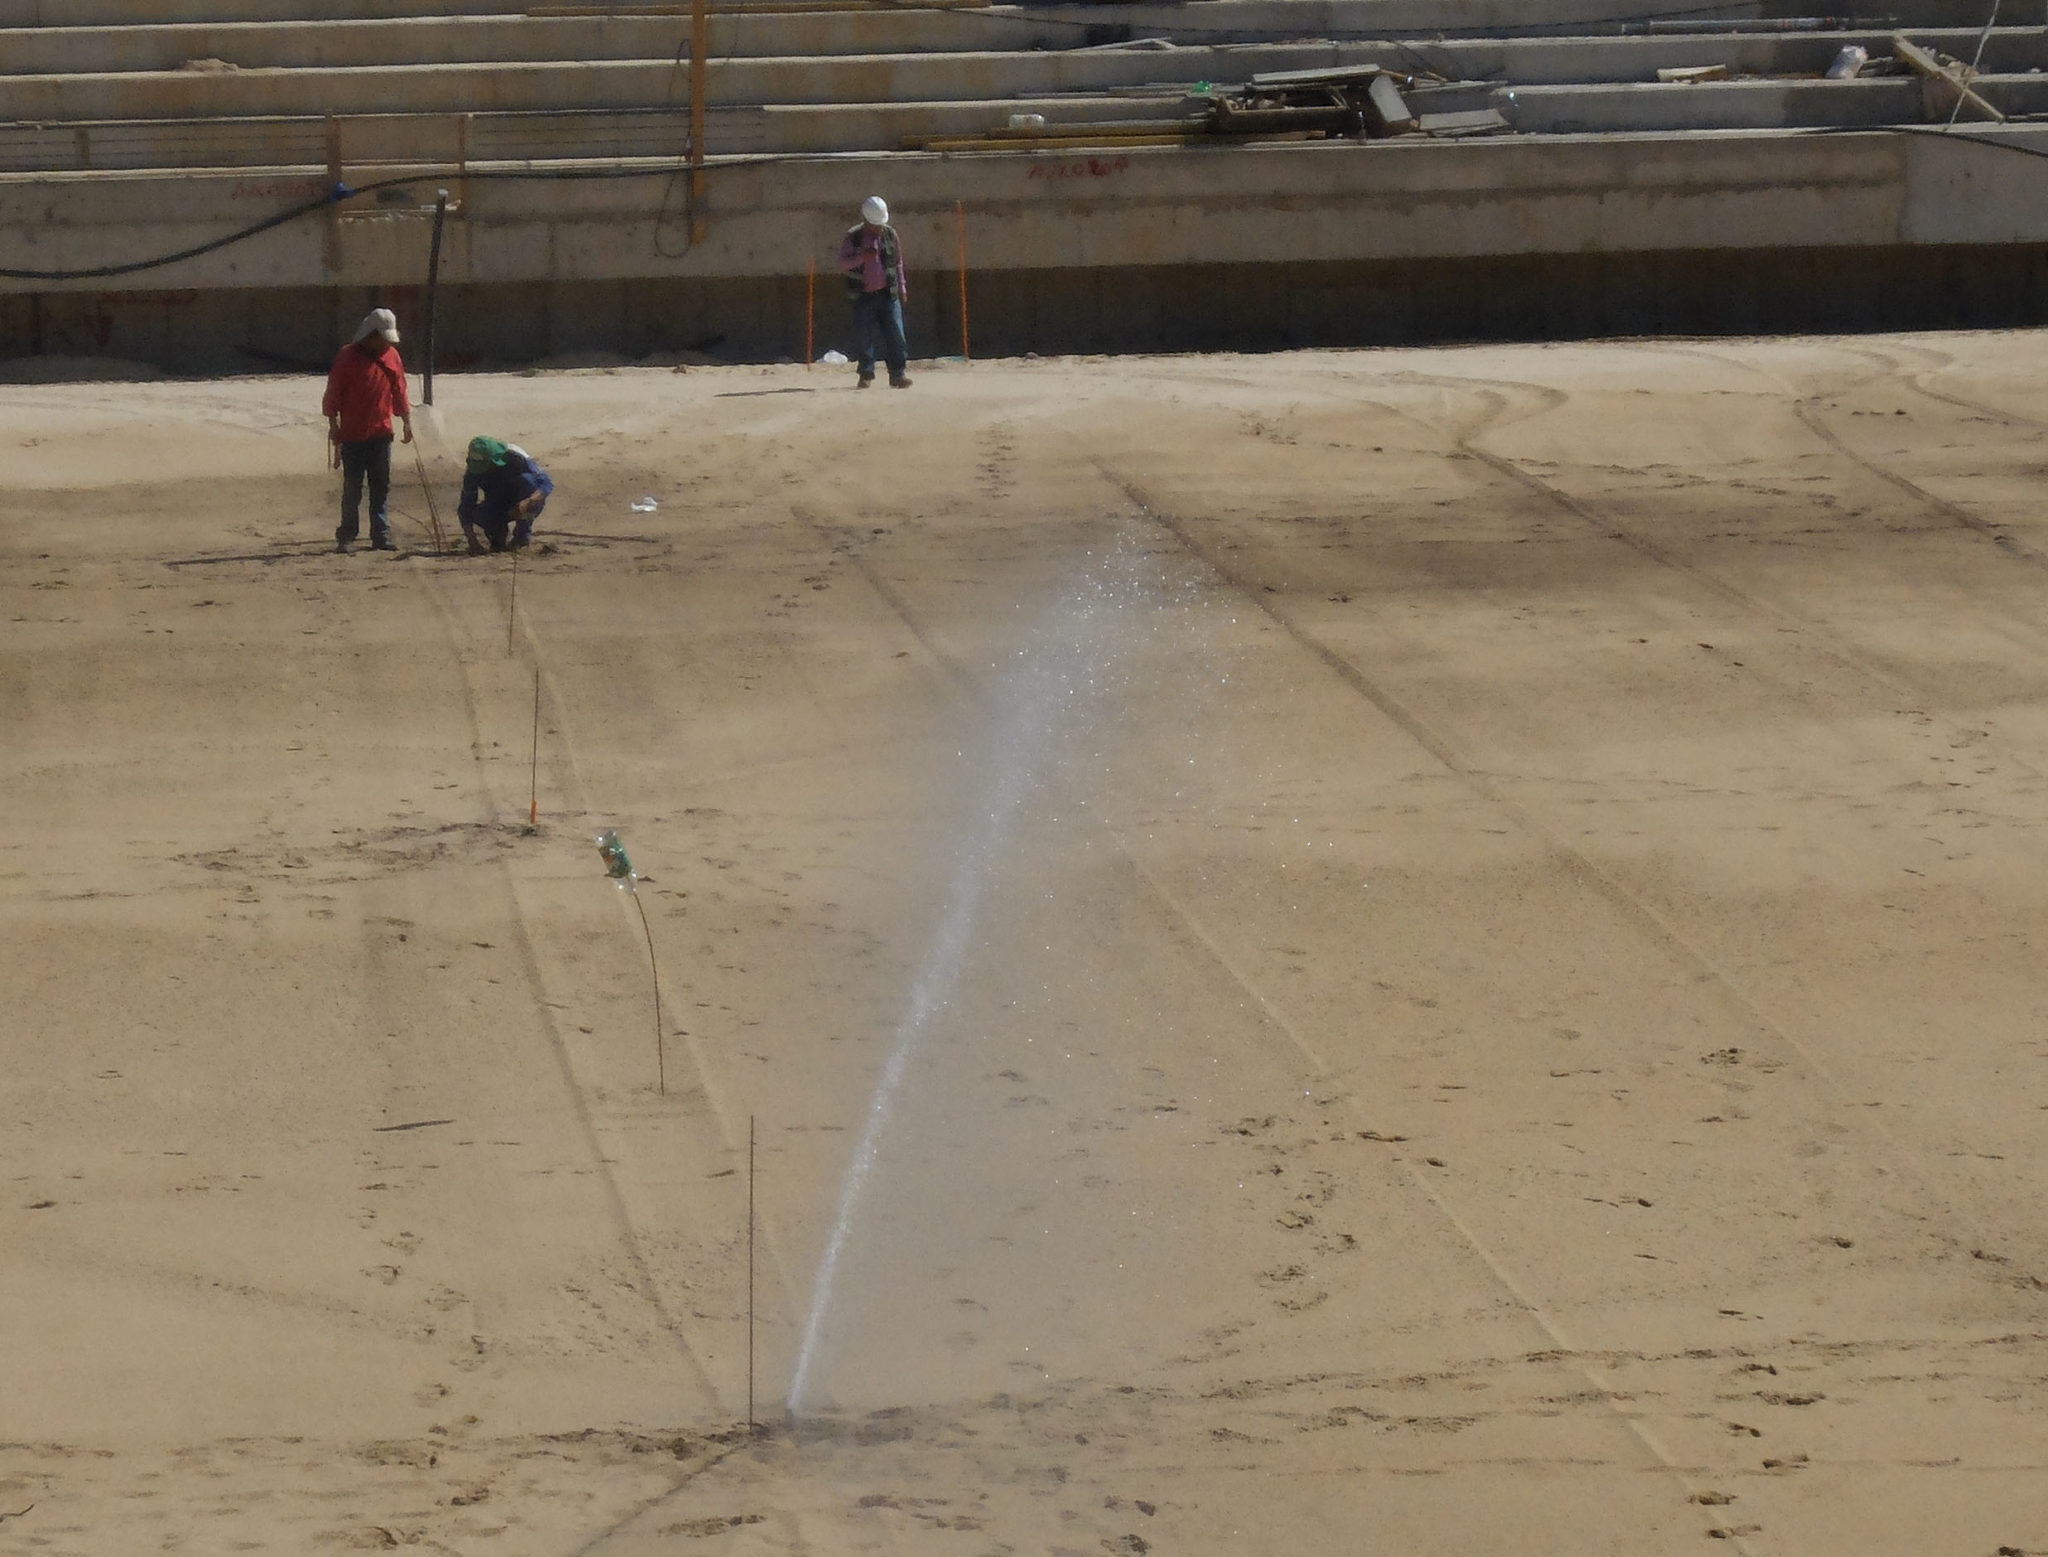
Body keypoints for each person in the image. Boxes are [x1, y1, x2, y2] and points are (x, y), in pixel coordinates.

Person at [322, 307, 414, 553]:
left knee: (381, 486)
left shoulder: (392, 356)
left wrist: (406, 421)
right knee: (352, 488)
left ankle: (381, 535)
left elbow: (399, 389)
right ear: (371, 335)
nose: (387, 344)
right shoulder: (346, 356)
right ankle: (347, 535)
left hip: (382, 433)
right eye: (383, 339)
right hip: (352, 435)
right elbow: (333, 394)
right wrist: (334, 428)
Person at [836, 195, 911, 390]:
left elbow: (898, 262)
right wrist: (862, 258)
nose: (878, 228)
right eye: (874, 224)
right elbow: (843, 263)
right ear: (866, 219)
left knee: (896, 335)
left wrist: (901, 287)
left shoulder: (890, 234)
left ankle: (898, 374)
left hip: (888, 294)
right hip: (863, 296)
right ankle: (866, 374)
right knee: (864, 337)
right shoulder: (854, 237)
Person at [457, 437, 554, 553]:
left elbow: (546, 484)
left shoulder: (516, 456)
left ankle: (522, 536)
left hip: (522, 496)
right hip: (495, 501)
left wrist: (528, 501)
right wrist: (472, 541)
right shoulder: (472, 472)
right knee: (481, 515)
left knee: (528, 481)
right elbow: (466, 507)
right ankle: (497, 537)